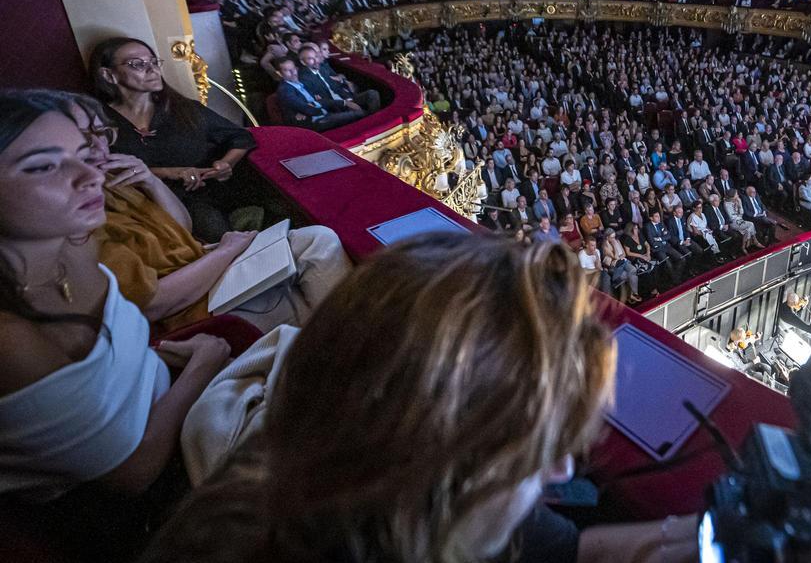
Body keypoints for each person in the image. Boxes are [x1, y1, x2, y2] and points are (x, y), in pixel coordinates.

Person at [142, 233, 699, 563]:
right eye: (539, 444)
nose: (561, 470)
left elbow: (567, 552)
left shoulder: (370, 474)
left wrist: (688, 539)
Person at [0, 91, 232, 558]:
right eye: (45, 166)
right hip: (144, 511)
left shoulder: (74, 246)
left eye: (84, 154)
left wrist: (165, 357)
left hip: (179, 397)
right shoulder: (10, 339)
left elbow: (114, 357)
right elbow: (131, 473)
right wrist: (204, 364)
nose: (90, 175)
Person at [63, 92, 351, 333]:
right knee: (329, 310)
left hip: (205, 267)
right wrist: (225, 252)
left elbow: (182, 227)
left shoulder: (112, 180)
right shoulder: (78, 217)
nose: (97, 144)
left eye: (101, 133)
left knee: (319, 239)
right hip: (196, 309)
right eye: (82, 136)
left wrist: (150, 181)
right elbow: (153, 304)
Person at [90, 37, 257, 243]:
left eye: (153, 62)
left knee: (214, 224)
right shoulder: (98, 120)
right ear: (108, 74)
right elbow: (101, 170)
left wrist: (226, 164)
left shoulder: (184, 108)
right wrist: (170, 173)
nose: (152, 70)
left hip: (206, 194)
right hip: (143, 205)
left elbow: (240, 136)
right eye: (137, 64)